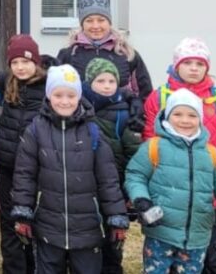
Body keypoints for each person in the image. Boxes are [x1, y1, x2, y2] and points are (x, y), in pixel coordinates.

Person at [11, 65, 130, 274]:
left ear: (79, 96)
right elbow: (25, 174)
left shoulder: (93, 131)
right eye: (58, 95)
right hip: (48, 224)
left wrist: (116, 214)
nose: (65, 101)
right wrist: (23, 210)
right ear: (49, 96)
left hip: (88, 227)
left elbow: (108, 178)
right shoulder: (36, 130)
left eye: (71, 95)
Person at [141, 37, 216, 273]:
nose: (194, 69)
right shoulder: (160, 97)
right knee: (164, 250)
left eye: (200, 64)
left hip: (206, 189)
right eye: (188, 63)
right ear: (176, 66)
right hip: (170, 190)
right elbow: (149, 141)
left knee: (211, 252)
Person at [126, 88, 216, 274]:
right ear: (167, 116)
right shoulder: (154, 147)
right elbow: (135, 176)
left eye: (192, 115)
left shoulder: (212, 154)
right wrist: (141, 199)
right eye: (178, 114)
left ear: (200, 119)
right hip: (160, 234)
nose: (185, 120)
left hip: (197, 238)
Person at [0, 34, 48, 274]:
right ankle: (13, 268)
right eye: (15, 62)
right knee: (9, 219)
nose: (20, 67)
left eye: (26, 61)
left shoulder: (49, 86)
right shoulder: (7, 82)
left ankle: (34, 266)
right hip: (7, 164)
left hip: (37, 167)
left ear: (36, 62)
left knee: (34, 218)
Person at [81, 57, 144, 274]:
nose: (107, 86)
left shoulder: (124, 112)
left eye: (111, 81)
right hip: (85, 185)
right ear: (89, 82)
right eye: (101, 81)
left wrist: (127, 192)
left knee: (112, 237)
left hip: (114, 187)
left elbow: (133, 155)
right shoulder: (79, 107)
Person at [56, 0, 153, 100]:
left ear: (109, 22)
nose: (95, 26)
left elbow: (146, 94)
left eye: (101, 20)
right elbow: (55, 91)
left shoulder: (128, 54)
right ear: (82, 24)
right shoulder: (68, 55)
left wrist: (135, 108)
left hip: (122, 111)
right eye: (89, 21)